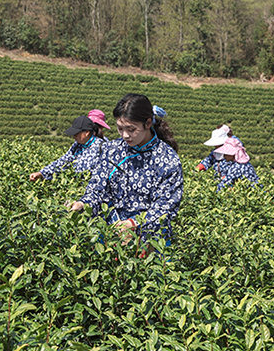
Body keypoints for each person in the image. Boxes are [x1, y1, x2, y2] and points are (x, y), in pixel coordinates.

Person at [68, 93, 182, 249]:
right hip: (111, 232)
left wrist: (133, 224)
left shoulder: (167, 159)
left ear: (148, 123)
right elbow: (98, 189)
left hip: (149, 238)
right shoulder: (111, 150)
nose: (125, 135)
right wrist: (83, 203)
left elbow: (166, 206)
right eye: (120, 129)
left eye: (131, 129)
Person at [29, 115, 104, 181]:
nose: (73, 136)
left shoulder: (102, 147)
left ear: (87, 133)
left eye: (76, 133)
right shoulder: (77, 145)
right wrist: (41, 173)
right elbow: (64, 161)